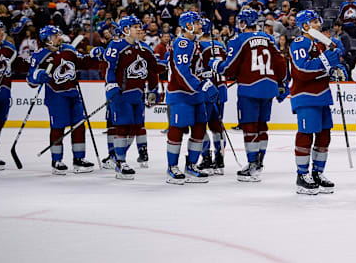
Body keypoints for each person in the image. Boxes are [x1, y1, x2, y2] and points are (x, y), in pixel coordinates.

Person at [211, 9, 288, 182]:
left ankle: (252, 165)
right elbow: (281, 62)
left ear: (244, 23)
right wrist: (282, 83)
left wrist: (216, 64)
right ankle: (259, 163)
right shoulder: (269, 38)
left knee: (250, 126)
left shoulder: (239, 39)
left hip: (249, 87)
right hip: (269, 87)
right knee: (262, 126)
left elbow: (229, 69)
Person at [27, 26, 101, 175]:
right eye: (55, 36)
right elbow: (30, 78)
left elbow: (82, 62)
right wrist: (37, 76)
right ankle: (56, 161)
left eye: (59, 34)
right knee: (58, 127)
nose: (59, 37)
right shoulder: (39, 55)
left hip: (73, 94)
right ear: (47, 39)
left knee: (79, 126)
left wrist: (93, 56)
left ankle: (79, 159)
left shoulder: (69, 49)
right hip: (56, 96)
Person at [288, 10, 346, 195]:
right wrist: (329, 62)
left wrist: (338, 67)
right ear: (304, 25)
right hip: (305, 96)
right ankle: (302, 175)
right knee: (306, 133)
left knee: (324, 135)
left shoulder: (320, 44)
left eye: (318, 21)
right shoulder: (299, 43)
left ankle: (317, 173)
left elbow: (326, 65)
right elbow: (301, 70)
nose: (318, 24)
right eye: (314, 21)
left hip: (322, 95)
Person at [103, 15, 162, 179]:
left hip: (138, 95)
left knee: (135, 128)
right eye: (136, 26)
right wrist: (111, 84)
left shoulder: (143, 48)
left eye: (140, 26)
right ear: (126, 29)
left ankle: (116, 156)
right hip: (121, 95)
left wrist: (153, 88)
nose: (140, 29)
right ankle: (120, 162)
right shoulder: (116, 45)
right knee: (122, 127)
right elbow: (108, 67)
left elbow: (154, 68)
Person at [165, 11, 217, 184]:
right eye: (197, 22)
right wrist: (202, 85)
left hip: (195, 95)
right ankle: (172, 167)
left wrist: (205, 74)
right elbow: (182, 71)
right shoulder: (182, 43)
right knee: (177, 128)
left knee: (200, 127)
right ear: (188, 25)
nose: (201, 25)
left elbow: (193, 69)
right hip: (180, 94)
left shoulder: (194, 43)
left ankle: (191, 165)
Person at [197, 17, 228, 176]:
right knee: (217, 126)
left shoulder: (199, 46)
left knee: (200, 125)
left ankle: (206, 158)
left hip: (206, 90)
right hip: (221, 90)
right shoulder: (221, 46)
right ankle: (220, 159)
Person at [0, 19, 18, 172]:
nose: (1, 32)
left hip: (4, 91)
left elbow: (19, 64)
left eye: (1, 29)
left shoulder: (10, 49)